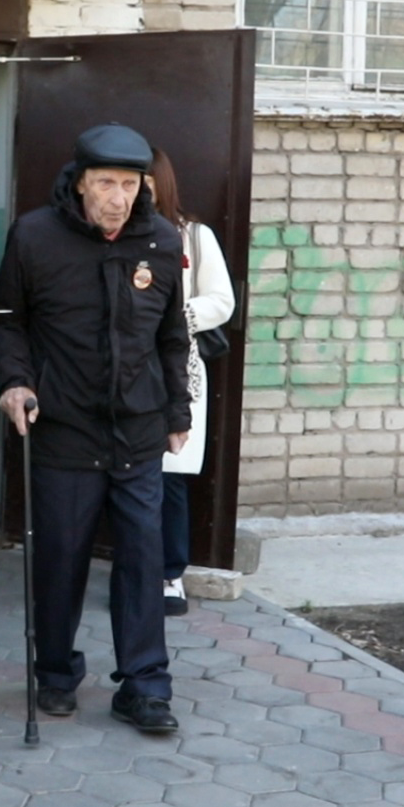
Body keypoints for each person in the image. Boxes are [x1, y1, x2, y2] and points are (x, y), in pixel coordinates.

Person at [0, 123, 190, 734]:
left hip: (138, 429)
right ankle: (54, 672)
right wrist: (14, 382)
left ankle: (146, 685)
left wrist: (177, 412)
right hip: (64, 428)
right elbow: (5, 321)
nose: (119, 197)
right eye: (107, 183)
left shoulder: (158, 239)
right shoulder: (34, 236)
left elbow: (173, 337)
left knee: (142, 558)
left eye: (130, 185)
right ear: (79, 184)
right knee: (60, 558)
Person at [148, 148, 235, 617]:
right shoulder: (109, 237)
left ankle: (168, 576)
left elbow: (222, 302)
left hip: (179, 370)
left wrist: (169, 317)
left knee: (170, 476)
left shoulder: (193, 237)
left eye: (143, 180)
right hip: (122, 371)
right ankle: (133, 571)